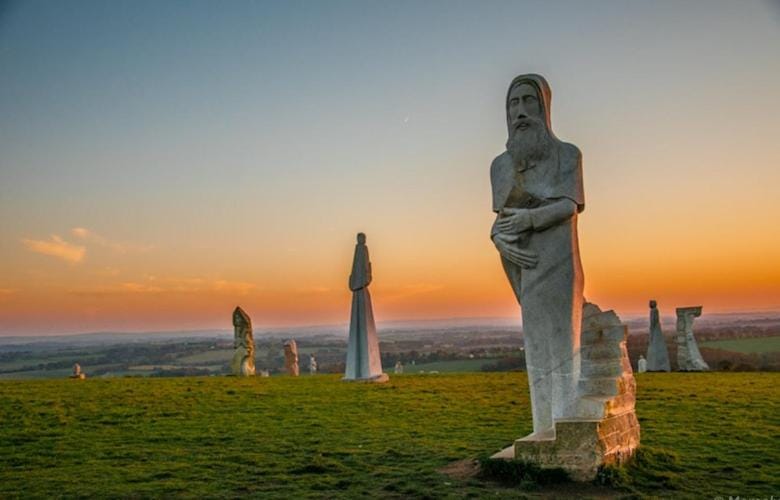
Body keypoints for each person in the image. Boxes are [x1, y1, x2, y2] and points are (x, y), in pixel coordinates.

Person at [490, 74, 584, 436]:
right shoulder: (500, 166)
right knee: (536, 350)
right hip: (522, 265)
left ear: (544, 107)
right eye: (513, 103)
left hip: (559, 262)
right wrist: (497, 238)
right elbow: (502, 219)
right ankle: (544, 432)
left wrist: (530, 219)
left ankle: (567, 434)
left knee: (563, 347)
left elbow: (569, 205)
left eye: (529, 101)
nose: (521, 112)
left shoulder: (567, 154)